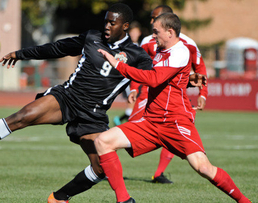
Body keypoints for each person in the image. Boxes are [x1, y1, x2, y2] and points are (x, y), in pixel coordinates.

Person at [0, 4, 153, 203]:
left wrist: (150, 86)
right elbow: (57, 48)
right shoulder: (92, 37)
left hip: (94, 115)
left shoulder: (136, 54)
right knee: (21, 117)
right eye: (105, 21)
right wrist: (21, 54)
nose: (106, 26)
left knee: (101, 167)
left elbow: (154, 77)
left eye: (111, 23)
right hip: (67, 98)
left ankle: (59, 197)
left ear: (124, 26)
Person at [95, 13, 251, 203]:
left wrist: (117, 64)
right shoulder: (161, 49)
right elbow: (161, 77)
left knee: (203, 168)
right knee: (103, 141)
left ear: (169, 32)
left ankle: (244, 201)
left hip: (175, 122)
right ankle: (124, 200)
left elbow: (154, 78)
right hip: (151, 121)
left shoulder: (181, 51)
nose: (153, 36)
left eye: (156, 32)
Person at [132, 5, 209, 184]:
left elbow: (200, 68)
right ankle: (102, 163)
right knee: (133, 128)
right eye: (152, 19)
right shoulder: (147, 41)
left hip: (175, 99)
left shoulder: (188, 44)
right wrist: (134, 88)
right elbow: (140, 66)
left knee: (174, 132)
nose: (152, 23)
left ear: (169, 23)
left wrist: (203, 93)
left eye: (155, 18)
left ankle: (159, 173)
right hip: (149, 96)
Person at [113, 21, 143, 127]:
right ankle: (126, 125)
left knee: (137, 105)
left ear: (139, 33)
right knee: (132, 104)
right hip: (127, 79)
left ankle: (121, 120)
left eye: (136, 32)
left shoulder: (141, 45)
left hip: (138, 79)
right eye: (132, 32)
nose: (134, 34)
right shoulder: (126, 46)